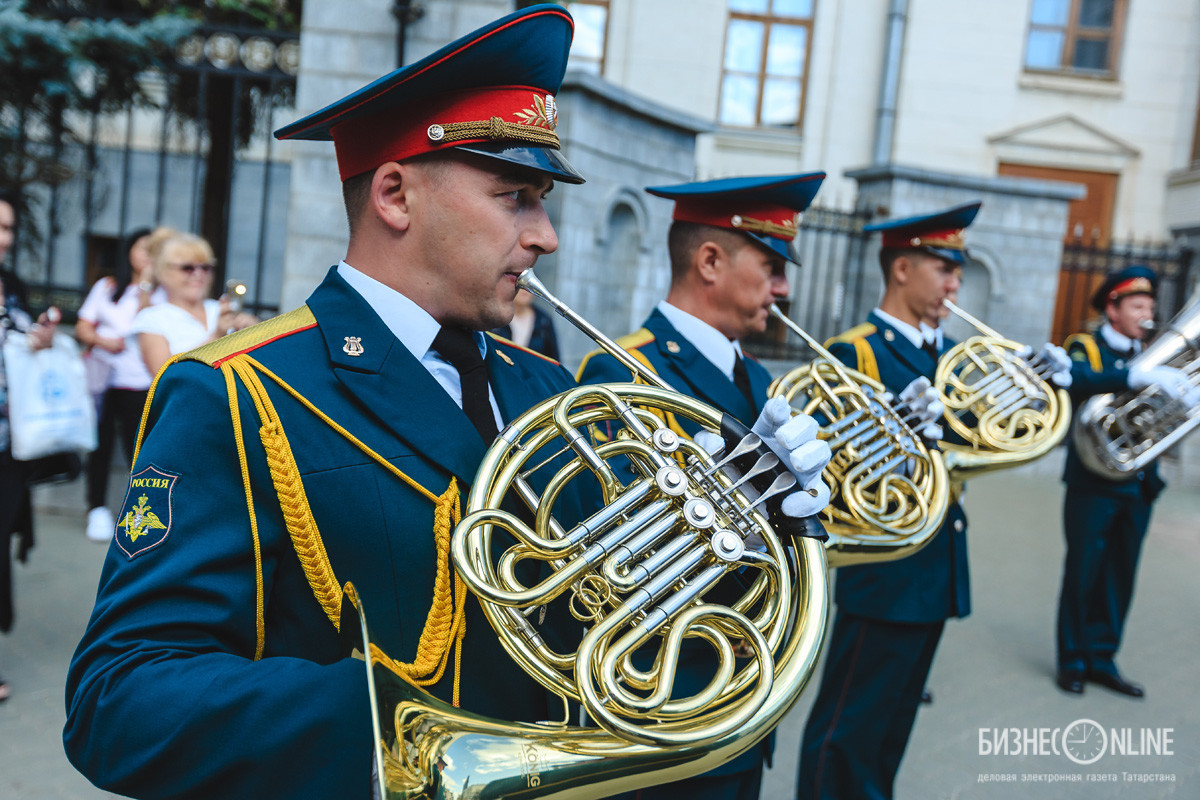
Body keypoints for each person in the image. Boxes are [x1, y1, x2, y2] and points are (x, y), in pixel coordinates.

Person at [62, 8, 830, 799]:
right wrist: (394, 733)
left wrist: (742, 522)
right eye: (517, 197)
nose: (546, 236)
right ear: (395, 194)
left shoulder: (546, 387)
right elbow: (117, 697)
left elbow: (612, 616)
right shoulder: (236, 389)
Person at [576, 172, 831, 800]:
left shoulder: (761, 377)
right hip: (669, 693)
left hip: (745, 690)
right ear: (710, 261)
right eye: (771, 264)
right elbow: (613, 555)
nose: (784, 287)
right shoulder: (623, 366)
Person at [796, 202, 979, 800]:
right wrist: (899, 435)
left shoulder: (951, 355)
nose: (954, 282)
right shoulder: (855, 352)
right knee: (849, 727)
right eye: (942, 266)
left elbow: (971, 440)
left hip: (936, 561)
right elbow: (831, 462)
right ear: (902, 268)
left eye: (958, 269)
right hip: (885, 566)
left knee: (892, 726)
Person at [1054, 265, 1195, 697]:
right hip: (1093, 485)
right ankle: (1072, 661)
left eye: (1150, 305)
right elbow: (1073, 381)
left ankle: (1103, 658)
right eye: (1137, 305)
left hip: (1138, 487)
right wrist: (1131, 377)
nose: (1147, 313)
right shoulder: (1086, 347)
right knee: (1083, 573)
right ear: (1112, 309)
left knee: (1120, 575)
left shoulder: (1155, 353)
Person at [0, 190, 60, 703]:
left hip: (8, 440)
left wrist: (39, 339)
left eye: (8, 229)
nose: (3, 239)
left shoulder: (11, 286)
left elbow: (22, 342)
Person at [75, 227, 162, 542]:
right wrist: (102, 341)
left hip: (139, 383)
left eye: (153, 250)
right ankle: (96, 509)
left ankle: (139, 514)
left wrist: (147, 286)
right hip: (102, 381)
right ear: (128, 252)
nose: (146, 255)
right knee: (98, 447)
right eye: (142, 248)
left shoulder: (160, 292)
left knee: (136, 450)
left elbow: (148, 323)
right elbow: (83, 327)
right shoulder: (107, 286)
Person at [131, 231, 257, 376]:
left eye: (205, 267)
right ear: (163, 271)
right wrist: (217, 336)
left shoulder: (220, 308)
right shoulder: (152, 318)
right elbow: (164, 378)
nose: (198, 274)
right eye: (187, 268)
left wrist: (254, 333)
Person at [491, 286, 560, 359]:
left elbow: (554, 360)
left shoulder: (544, 321)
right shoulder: (496, 315)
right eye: (521, 284)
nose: (525, 289)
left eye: (530, 286)